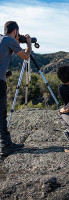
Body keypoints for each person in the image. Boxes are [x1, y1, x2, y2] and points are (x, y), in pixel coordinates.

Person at [0, 21, 32, 159]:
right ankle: (5, 146)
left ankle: (6, 144)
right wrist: (29, 44)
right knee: (1, 115)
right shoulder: (8, 40)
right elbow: (25, 56)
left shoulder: (2, 39)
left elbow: (9, 52)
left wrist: (17, 41)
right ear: (15, 31)